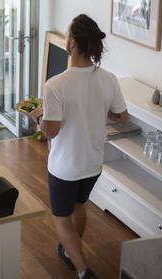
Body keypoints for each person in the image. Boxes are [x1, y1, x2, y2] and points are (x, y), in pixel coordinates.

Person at [29, 14, 128, 279]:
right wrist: (95, 110)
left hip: (65, 165)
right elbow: (121, 116)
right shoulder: (109, 79)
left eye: (66, 34)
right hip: (93, 162)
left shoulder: (55, 85)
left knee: (61, 217)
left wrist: (37, 116)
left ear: (72, 43)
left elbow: (51, 130)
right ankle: (71, 252)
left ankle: (83, 270)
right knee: (80, 205)